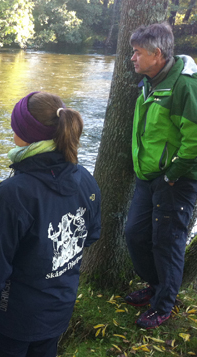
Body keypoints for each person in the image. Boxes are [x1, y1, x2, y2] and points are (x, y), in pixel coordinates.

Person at [0, 92, 101, 357]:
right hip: (57, 312)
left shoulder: (11, 194)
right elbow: (90, 235)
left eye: (14, 126)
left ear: (25, 134)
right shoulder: (85, 179)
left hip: (9, 322)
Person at [124, 22, 197, 329]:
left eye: (137, 53)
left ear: (156, 54)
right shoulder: (151, 80)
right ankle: (156, 287)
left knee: (166, 243)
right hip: (149, 176)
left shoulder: (184, 86)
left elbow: (194, 139)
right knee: (135, 235)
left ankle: (164, 305)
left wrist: (172, 173)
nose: (132, 58)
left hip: (175, 180)